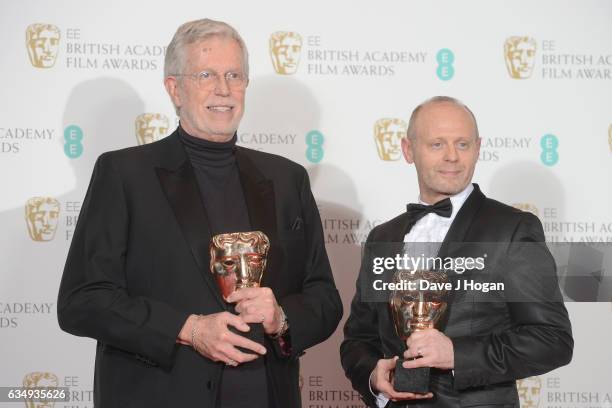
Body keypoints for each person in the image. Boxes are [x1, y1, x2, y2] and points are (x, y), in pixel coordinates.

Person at [57, 18, 342, 408]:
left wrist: (281, 317)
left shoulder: (286, 178)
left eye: (234, 75)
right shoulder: (125, 175)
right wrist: (188, 329)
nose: (223, 89)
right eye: (206, 74)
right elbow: (82, 301)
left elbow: (324, 298)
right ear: (174, 88)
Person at [340, 96, 573, 407]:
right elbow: (358, 338)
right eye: (437, 144)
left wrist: (457, 354)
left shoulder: (512, 230)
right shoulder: (383, 238)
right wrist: (372, 374)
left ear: (478, 148)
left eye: (462, 144)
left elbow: (552, 340)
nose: (452, 156)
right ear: (408, 150)